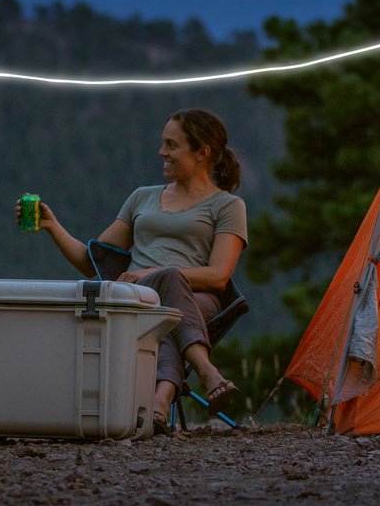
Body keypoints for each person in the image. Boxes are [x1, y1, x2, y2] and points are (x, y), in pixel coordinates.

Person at [34, 108, 247, 433]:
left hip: (198, 298)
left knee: (167, 289)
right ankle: (178, 391)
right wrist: (52, 226)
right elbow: (93, 262)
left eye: (172, 145)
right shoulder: (142, 198)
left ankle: (184, 384)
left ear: (202, 151)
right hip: (139, 299)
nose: (162, 152)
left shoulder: (228, 206)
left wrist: (153, 272)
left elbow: (219, 275)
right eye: (163, 144)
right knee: (156, 313)